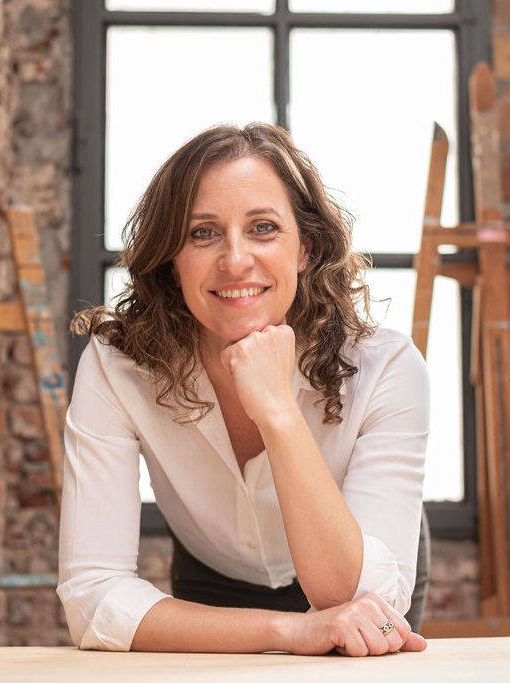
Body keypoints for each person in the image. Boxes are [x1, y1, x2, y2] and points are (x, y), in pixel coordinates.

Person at [57, 122, 430, 656]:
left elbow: (354, 598)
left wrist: (277, 411)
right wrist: (288, 630)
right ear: (172, 260)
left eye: (263, 228)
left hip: (360, 562)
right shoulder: (118, 366)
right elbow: (93, 597)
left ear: (306, 248)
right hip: (212, 579)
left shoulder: (387, 366)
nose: (234, 260)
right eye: (202, 233)